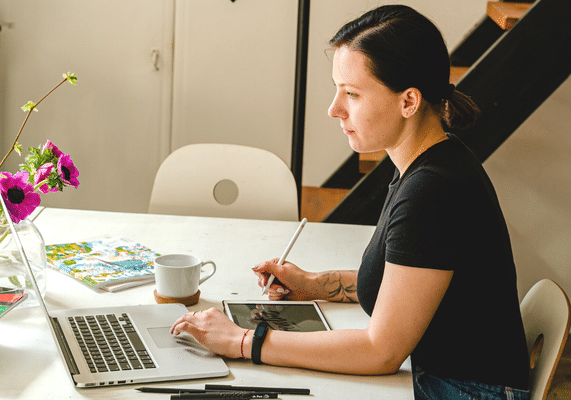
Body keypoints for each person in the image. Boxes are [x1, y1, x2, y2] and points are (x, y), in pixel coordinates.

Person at [171, 5, 530, 400]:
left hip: (464, 390)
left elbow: (381, 352)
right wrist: (313, 284)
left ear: (408, 101)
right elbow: (404, 282)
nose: (334, 109)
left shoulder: (433, 190)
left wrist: (243, 341)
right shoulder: (428, 162)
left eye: (352, 94)